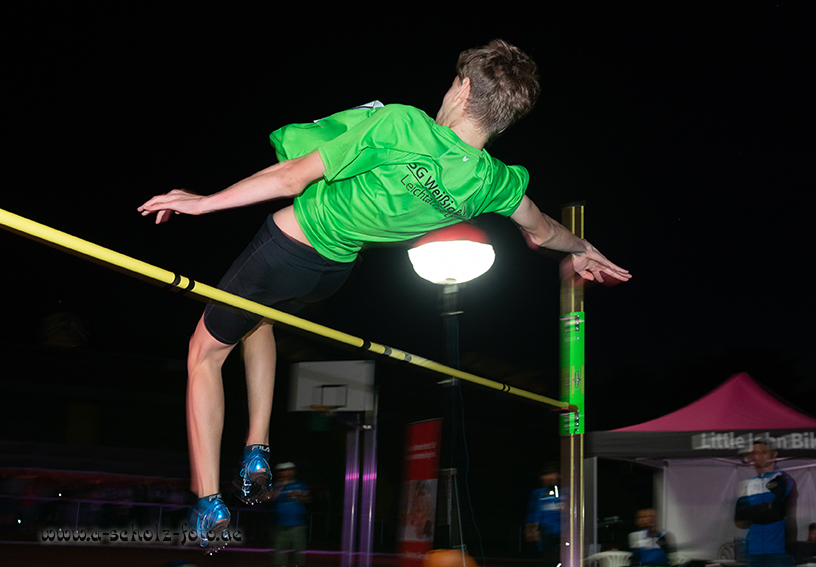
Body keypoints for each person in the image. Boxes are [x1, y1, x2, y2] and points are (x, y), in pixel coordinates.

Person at [138, 39, 631, 545]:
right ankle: (257, 447)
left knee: (203, 354)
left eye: (452, 83)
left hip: (286, 248)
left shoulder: (404, 124)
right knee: (259, 319)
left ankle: (207, 501)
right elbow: (543, 232)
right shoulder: (494, 182)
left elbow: (291, 178)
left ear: (463, 90)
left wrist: (203, 202)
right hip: (332, 271)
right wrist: (583, 247)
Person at [735, 440, 796, 567]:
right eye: (756, 453)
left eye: (764, 452)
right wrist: (765, 508)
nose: (760, 456)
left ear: (774, 454)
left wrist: (752, 512)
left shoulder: (784, 479)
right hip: (753, 552)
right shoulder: (748, 484)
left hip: (779, 552)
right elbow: (739, 518)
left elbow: (776, 513)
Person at [271, 462, 311, 567]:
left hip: (298, 525)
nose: (287, 472)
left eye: (290, 470)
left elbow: (308, 499)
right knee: (280, 550)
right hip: (281, 524)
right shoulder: (276, 485)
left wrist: (299, 496)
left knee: (299, 550)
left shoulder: (301, 485)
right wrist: (281, 485)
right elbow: (272, 498)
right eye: (283, 471)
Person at [525, 465, 563, 567]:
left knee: (561, 556)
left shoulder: (563, 491)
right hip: (547, 530)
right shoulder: (539, 493)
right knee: (548, 557)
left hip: (562, 531)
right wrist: (532, 530)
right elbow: (534, 512)